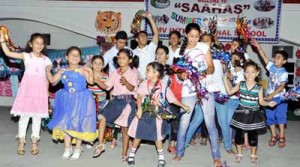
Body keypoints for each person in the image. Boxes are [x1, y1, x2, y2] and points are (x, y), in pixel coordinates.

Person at [172, 23, 221, 167]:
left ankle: (216, 156)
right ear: (186, 35)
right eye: (191, 36)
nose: (193, 39)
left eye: (196, 36)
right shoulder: (179, 52)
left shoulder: (204, 47)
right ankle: (179, 153)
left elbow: (211, 67)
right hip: (188, 91)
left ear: (199, 35)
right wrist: (183, 74)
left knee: (210, 123)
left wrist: (202, 73)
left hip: (205, 88)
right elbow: (178, 76)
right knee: (184, 122)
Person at [127, 62, 190, 167]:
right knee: (139, 133)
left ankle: (161, 157)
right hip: (145, 112)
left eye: (148, 70)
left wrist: (183, 105)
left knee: (158, 136)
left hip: (157, 114)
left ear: (155, 73)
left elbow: (172, 99)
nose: (145, 72)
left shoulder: (163, 86)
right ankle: (132, 153)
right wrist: (139, 108)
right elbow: (139, 96)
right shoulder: (144, 84)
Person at [0, 31, 52, 156]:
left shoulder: (47, 60)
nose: (39, 46)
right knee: (24, 116)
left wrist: (46, 92)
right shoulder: (26, 56)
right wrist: (2, 40)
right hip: (27, 90)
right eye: (36, 43)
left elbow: (46, 78)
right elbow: (8, 53)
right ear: (31, 44)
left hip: (39, 91)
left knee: (37, 117)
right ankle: (21, 141)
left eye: (41, 44)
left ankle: (35, 141)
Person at [46, 46, 97, 160]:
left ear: (80, 58)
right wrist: (47, 72)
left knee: (78, 123)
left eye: (77, 55)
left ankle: (78, 148)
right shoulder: (62, 70)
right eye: (72, 55)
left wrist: (89, 71)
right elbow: (53, 82)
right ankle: (67, 148)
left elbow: (91, 81)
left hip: (81, 99)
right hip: (66, 99)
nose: (75, 57)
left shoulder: (83, 69)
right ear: (67, 57)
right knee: (65, 122)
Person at [223, 60, 276, 163]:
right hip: (241, 113)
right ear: (244, 73)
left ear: (257, 73)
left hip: (254, 114)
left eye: (252, 72)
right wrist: (225, 80)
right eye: (247, 72)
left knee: (253, 136)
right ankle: (239, 153)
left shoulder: (259, 87)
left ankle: (253, 153)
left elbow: (261, 102)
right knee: (239, 135)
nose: (250, 74)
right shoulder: (241, 84)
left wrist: (268, 103)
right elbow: (229, 92)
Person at [92, 48, 139, 162]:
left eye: (124, 57)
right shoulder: (115, 73)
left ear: (130, 60)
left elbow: (133, 88)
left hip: (128, 101)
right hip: (117, 100)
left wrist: (126, 82)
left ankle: (124, 153)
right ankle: (100, 144)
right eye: (119, 57)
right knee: (101, 117)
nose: (121, 59)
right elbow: (107, 87)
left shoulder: (133, 72)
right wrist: (98, 81)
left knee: (124, 128)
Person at [252, 39, 289, 148]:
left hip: (280, 98)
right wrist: (258, 47)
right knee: (270, 117)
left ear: (284, 61)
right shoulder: (272, 67)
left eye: (279, 57)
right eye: (275, 56)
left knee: (280, 117)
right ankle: (274, 136)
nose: (275, 58)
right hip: (269, 97)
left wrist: (271, 96)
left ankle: (282, 136)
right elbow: (264, 58)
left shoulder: (284, 72)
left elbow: (282, 86)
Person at [133, 12, 159, 79]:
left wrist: (150, 18)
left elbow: (156, 33)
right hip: (138, 81)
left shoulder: (151, 48)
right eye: (142, 36)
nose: (144, 37)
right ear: (137, 39)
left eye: (146, 36)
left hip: (150, 80)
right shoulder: (133, 52)